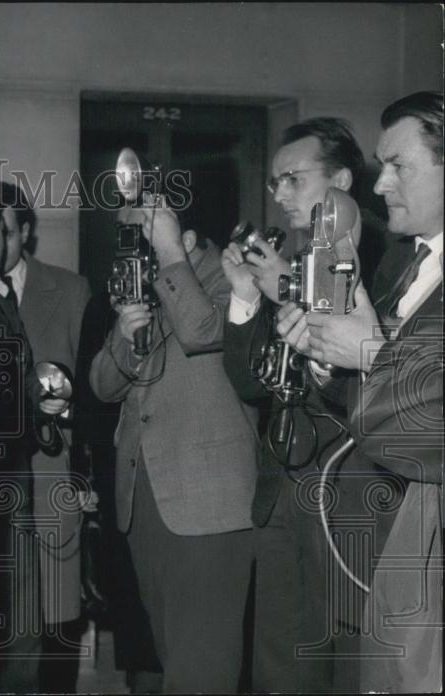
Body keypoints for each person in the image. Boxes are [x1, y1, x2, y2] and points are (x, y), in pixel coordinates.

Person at [220, 117, 399, 692]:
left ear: (343, 181)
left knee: (343, 659)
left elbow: (385, 379)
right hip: (284, 486)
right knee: (280, 660)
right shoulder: (293, 252)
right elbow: (252, 386)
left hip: (348, 489)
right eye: (275, 183)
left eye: (293, 179)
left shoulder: (389, 256)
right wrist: (246, 299)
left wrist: (286, 289)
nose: (279, 194)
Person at [281, 91, 443, 693]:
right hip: (401, 535)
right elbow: (375, 406)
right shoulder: (408, 264)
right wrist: (329, 361)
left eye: (400, 165)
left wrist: (368, 351)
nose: (380, 186)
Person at [89, 199, 257, 693]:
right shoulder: (148, 287)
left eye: (140, 235)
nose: (128, 251)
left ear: (182, 237)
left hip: (209, 505)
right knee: (171, 655)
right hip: (147, 501)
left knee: (201, 668)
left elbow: (204, 332)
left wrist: (169, 256)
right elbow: (102, 385)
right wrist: (123, 335)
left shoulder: (231, 277)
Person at [0, 180, 93, 692]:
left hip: (50, 481)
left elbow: (100, 387)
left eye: (4, 230)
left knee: (54, 624)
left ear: (25, 232)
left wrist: (64, 405)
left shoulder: (72, 291)